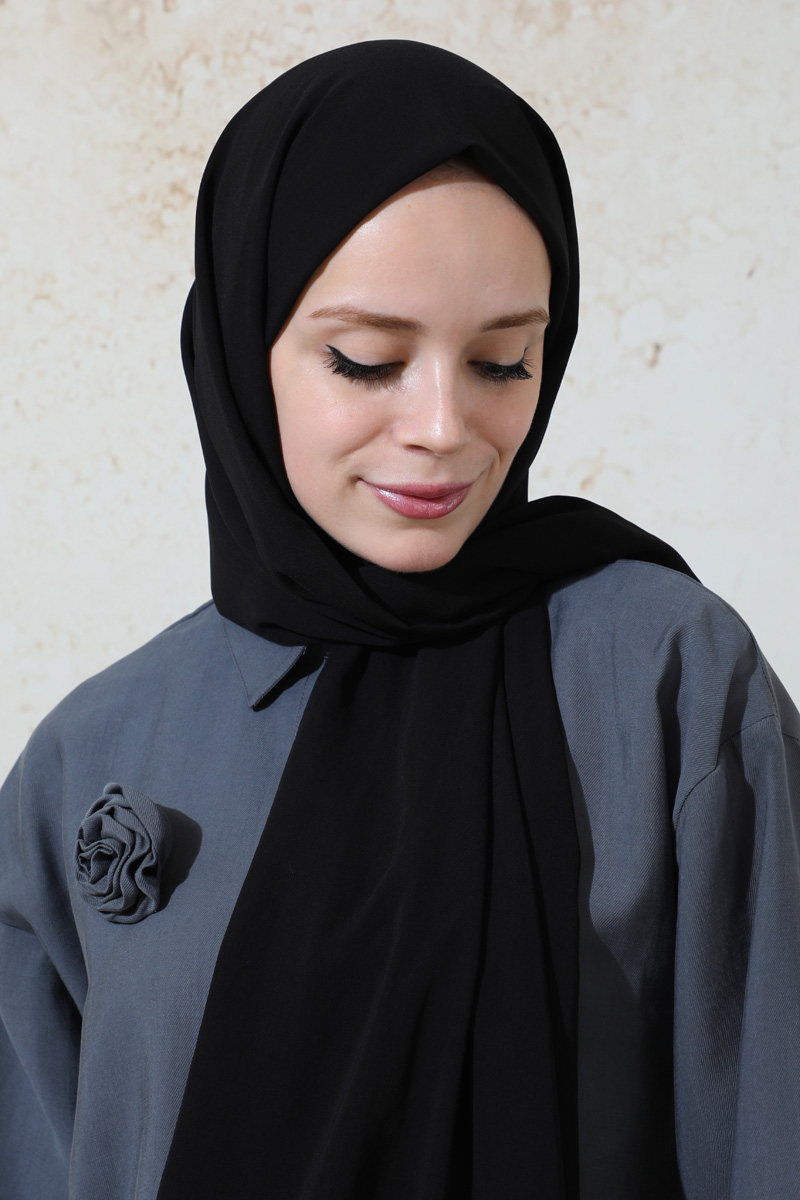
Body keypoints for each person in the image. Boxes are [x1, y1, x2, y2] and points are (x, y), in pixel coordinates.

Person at [1, 38, 798, 1200]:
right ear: (239, 350)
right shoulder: (91, 758)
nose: (441, 426)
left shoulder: (664, 682)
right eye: (366, 360)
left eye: (502, 362)